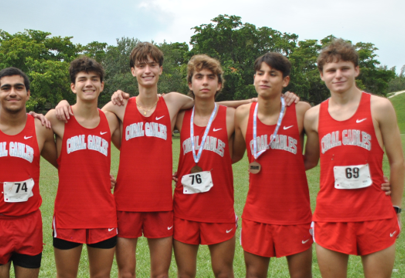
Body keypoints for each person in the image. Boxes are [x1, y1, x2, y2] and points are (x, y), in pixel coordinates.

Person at [55, 43, 297, 277]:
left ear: (161, 69)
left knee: (160, 274)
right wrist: (63, 103)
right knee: (125, 272)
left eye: (152, 65)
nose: (147, 70)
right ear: (133, 71)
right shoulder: (118, 107)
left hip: (162, 204)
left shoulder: (173, 101)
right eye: (141, 65)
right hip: (124, 204)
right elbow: (86, 113)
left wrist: (251, 102)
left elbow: (208, 105)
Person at [303, 39, 404, 278]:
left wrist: (396, 208)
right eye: (331, 70)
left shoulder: (380, 106)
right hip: (331, 215)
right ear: (322, 75)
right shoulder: (313, 116)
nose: (338, 75)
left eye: (344, 68)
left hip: (376, 213)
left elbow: (397, 160)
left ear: (356, 70)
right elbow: (310, 160)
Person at [0, 67, 57, 277]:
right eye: (6, 88)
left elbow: (65, 163)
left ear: (28, 93)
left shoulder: (40, 128)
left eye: (19, 87)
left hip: (28, 222)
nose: (12, 93)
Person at [232, 52, 313, 278]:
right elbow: (234, 155)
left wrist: (285, 170)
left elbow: (311, 159)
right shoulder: (242, 114)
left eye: (273, 74)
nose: (264, 78)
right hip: (257, 213)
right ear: (254, 78)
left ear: (285, 81)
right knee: (254, 274)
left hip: (295, 213)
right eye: (260, 73)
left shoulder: (302, 110)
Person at [46, 56, 120, 278]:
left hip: (103, 212)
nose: (89, 83)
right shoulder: (57, 118)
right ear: (73, 86)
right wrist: (60, 104)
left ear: (102, 85)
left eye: (94, 79)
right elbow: (34, 138)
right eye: (82, 79)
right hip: (69, 213)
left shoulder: (111, 119)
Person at [173, 54, 237, 277]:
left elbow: (236, 156)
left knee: (223, 271)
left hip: (219, 208)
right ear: (190, 84)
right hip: (184, 208)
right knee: (186, 273)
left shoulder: (233, 117)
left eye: (211, 77)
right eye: (199, 77)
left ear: (219, 85)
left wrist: (251, 101)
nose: (205, 82)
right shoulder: (179, 116)